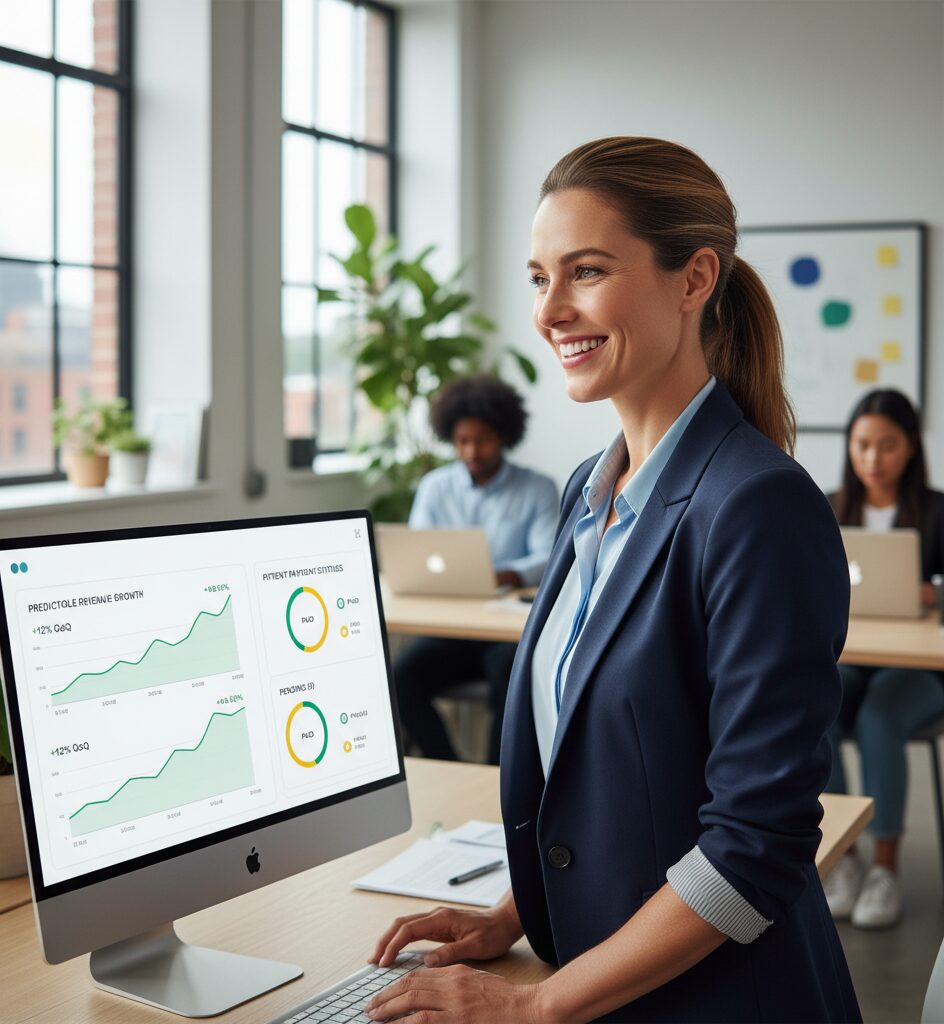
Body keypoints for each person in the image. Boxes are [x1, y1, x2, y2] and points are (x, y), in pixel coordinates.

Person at [364, 137, 859, 1023]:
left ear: (694, 278)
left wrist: (533, 1008)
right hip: (602, 974)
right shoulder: (589, 495)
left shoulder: (758, 506)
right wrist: (514, 914)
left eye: (585, 271)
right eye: (538, 277)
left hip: (721, 1001)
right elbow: (610, 788)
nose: (550, 310)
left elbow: (754, 847)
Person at [822, 388, 944, 928]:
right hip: (852, 655)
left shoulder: (937, 510)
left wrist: (932, 593)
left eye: (887, 446)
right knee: (816, 703)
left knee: (879, 716)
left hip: (917, 669)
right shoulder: (828, 507)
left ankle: (885, 867)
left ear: (911, 446)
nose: (873, 459)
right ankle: (844, 856)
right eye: (862, 445)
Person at [393, 374, 559, 765]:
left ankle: (496, 778)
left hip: (507, 635)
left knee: (509, 673)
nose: (471, 450)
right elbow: (416, 552)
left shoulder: (537, 488)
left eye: (482, 440)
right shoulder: (435, 487)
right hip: (453, 631)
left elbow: (548, 557)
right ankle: (449, 766)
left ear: (503, 436)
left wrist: (501, 574)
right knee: (399, 678)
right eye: (462, 440)